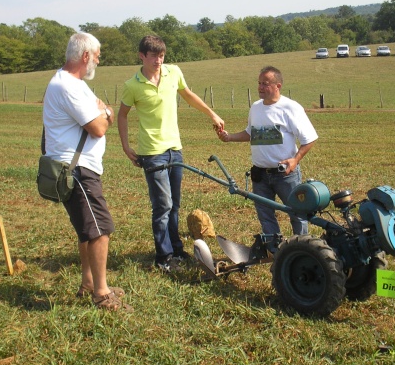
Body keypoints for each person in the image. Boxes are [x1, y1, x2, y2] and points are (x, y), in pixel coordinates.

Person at [117, 35, 224, 273]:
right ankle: (163, 257)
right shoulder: (132, 85)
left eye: (162, 55)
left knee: (174, 204)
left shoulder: (173, 73)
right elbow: (122, 115)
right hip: (151, 153)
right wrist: (126, 146)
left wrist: (212, 114)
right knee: (162, 205)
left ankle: (176, 249)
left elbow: (188, 96)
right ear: (142, 56)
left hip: (175, 149)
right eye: (153, 56)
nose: (158, 61)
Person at [43, 32, 129, 311]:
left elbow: (102, 112)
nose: (99, 60)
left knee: (87, 231)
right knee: (100, 230)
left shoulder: (72, 83)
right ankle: (101, 294)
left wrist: (103, 110)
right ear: (85, 56)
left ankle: (89, 283)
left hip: (78, 168)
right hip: (77, 170)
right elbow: (100, 126)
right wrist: (105, 112)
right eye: (98, 55)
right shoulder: (67, 86)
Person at [218, 66, 317, 236]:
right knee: (265, 216)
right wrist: (229, 137)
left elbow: (310, 138)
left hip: (285, 174)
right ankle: (274, 250)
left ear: (278, 86)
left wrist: (295, 160)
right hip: (260, 175)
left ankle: (302, 250)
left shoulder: (291, 108)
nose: (260, 87)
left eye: (265, 84)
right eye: (259, 83)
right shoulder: (256, 107)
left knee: (297, 214)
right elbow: (251, 133)